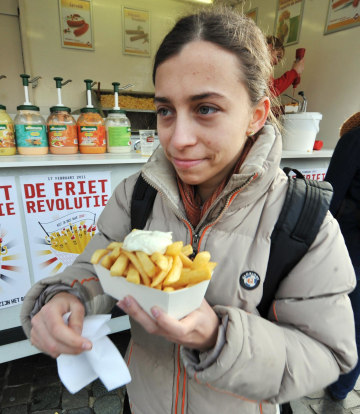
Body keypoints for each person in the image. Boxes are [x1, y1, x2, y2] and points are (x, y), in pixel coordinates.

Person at [20, 8, 357, 414]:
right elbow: (96, 268)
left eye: (206, 109)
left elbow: (327, 355)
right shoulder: (137, 197)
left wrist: (218, 337)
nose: (177, 139)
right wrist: (67, 297)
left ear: (256, 115)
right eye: (165, 110)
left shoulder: (303, 220)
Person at [325, 112, 360, 401]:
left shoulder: (354, 139)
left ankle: (337, 383)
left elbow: (330, 195)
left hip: (351, 248)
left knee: (351, 317)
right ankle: (343, 386)